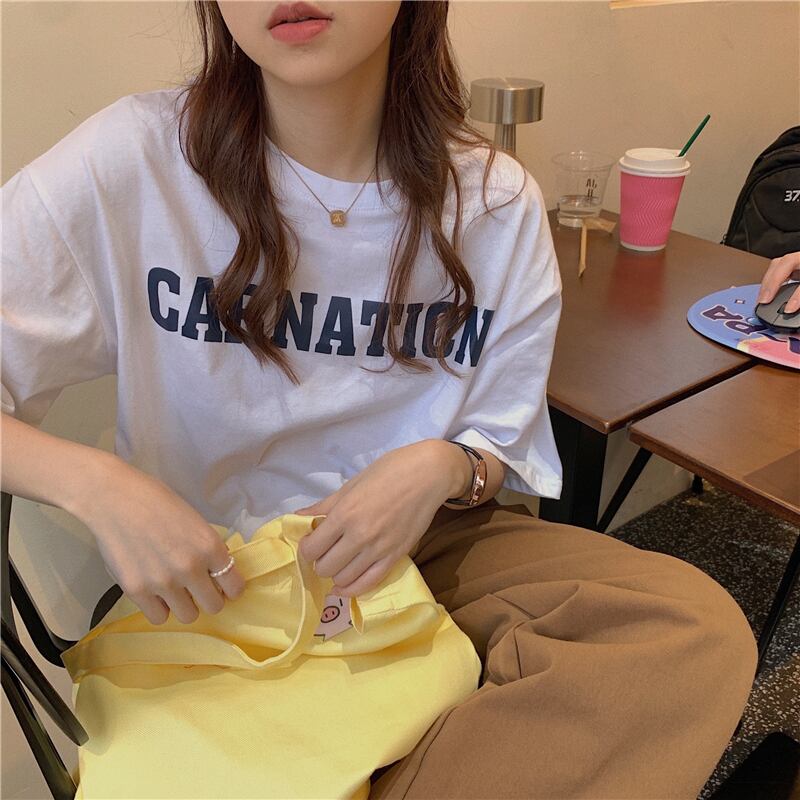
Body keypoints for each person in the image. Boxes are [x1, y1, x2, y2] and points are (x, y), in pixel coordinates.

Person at [0, 2, 757, 798]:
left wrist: (442, 465)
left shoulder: (493, 200)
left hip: (423, 553)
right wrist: (97, 485)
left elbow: (496, 445)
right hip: (217, 575)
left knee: (688, 635)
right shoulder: (135, 160)